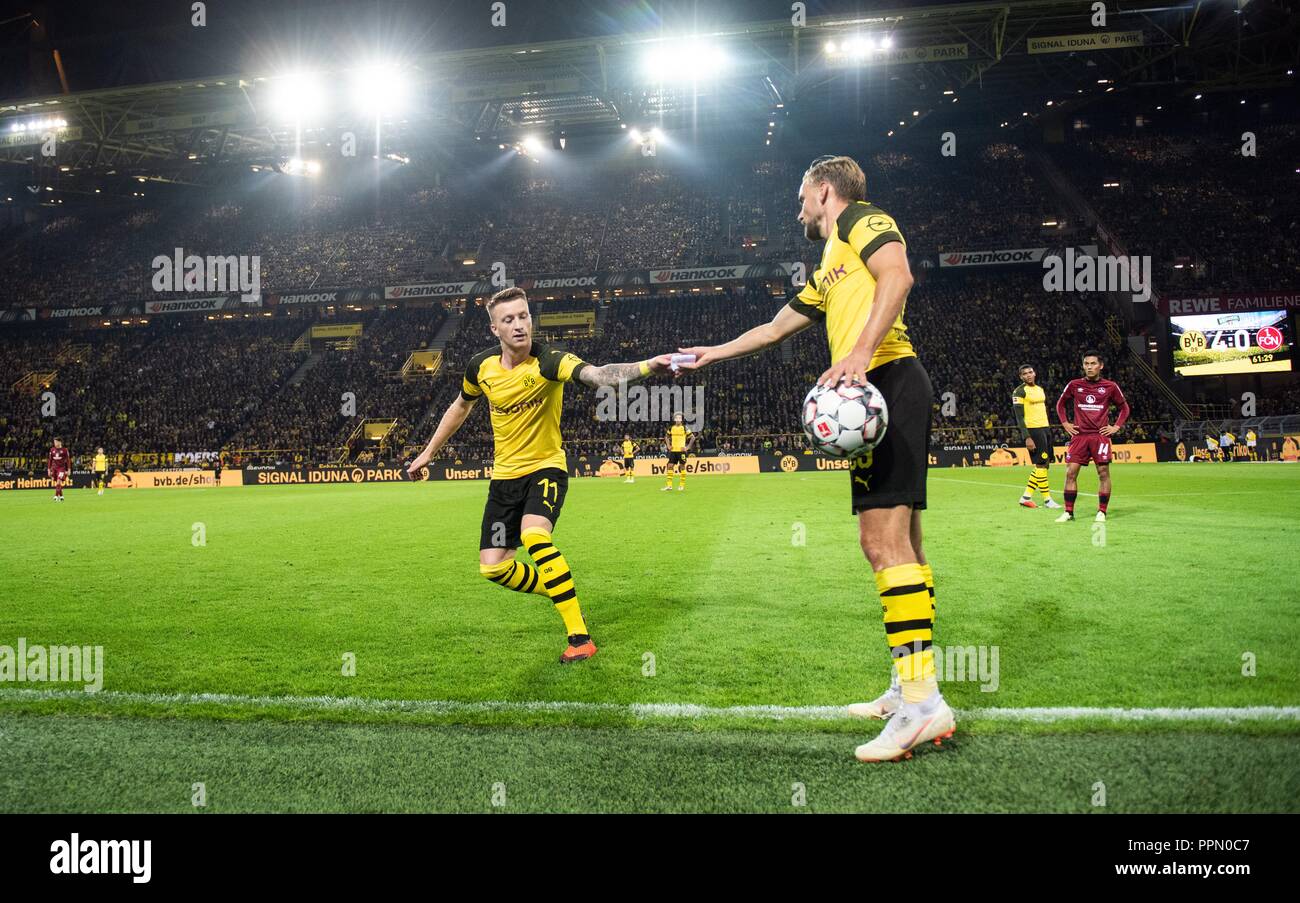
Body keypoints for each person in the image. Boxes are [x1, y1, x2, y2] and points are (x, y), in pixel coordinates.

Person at [673, 154, 953, 762]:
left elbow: (899, 276)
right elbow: (776, 328)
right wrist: (712, 353)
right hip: (881, 388)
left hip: (887, 381)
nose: (797, 207)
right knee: (905, 543)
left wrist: (859, 352)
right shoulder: (828, 262)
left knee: (881, 543)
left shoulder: (862, 219)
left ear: (824, 190)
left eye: (801, 195)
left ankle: (924, 704)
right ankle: (909, 685)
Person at [407, 287, 671, 664]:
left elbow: (598, 376)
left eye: (524, 316)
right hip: (504, 479)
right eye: (509, 319)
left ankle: (579, 637)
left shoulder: (550, 361)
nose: (519, 325)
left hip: (546, 468)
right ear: (494, 329)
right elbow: (460, 407)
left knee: (534, 535)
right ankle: (558, 588)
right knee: (493, 567)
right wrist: (428, 453)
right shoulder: (480, 367)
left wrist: (648, 366)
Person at [1054, 351, 1130, 523]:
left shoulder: (1110, 386)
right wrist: (1065, 423)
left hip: (1100, 436)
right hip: (1079, 436)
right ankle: (1068, 512)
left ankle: (1102, 511)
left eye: (1093, 363)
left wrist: (1116, 427)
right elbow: (1060, 404)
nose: (1089, 367)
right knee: (1070, 473)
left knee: (1103, 473)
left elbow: (1124, 408)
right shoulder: (1074, 384)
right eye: (1086, 364)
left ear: (1100, 366)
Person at [1011, 364, 1060, 509]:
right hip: (1033, 431)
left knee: (1044, 464)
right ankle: (1047, 500)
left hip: (1045, 428)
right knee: (1041, 464)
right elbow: (1019, 417)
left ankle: (1026, 497)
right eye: (1025, 373)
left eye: (1030, 372)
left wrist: (1048, 429)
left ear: (1034, 373)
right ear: (1021, 377)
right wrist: (1027, 437)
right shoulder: (1019, 392)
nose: (1028, 375)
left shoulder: (1040, 389)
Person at [661, 413, 694, 492]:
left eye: (680, 418)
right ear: (674, 419)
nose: (678, 419)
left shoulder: (685, 428)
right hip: (673, 451)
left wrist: (687, 447)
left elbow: (693, 437)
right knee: (670, 466)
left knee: (682, 466)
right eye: (677, 418)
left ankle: (681, 485)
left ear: (681, 420)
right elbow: (666, 437)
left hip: (681, 451)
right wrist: (668, 446)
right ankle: (669, 486)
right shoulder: (671, 428)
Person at [48, 438, 71, 502]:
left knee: (58, 481)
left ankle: (55, 496)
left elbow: (68, 460)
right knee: (57, 483)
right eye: (54, 442)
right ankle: (61, 496)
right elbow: (50, 460)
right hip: (54, 468)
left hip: (61, 469)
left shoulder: (65, 450)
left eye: (56, 442)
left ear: (59, 442)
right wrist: (49, 469)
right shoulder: (52, 450)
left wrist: (69, 469)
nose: (54, 443)